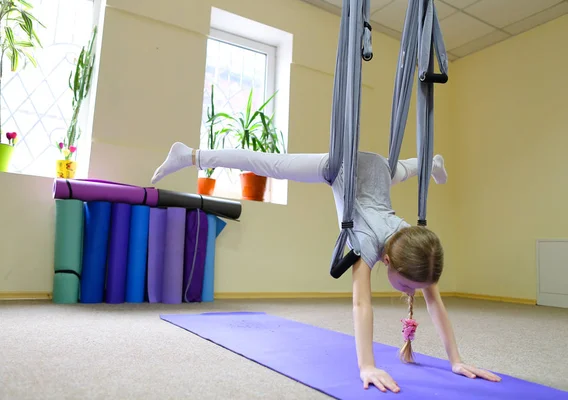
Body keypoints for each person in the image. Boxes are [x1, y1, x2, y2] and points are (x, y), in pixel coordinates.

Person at [151, 142, 502, 393]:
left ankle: (433, 161)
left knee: (406, 169)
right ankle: (190, 155)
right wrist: (367, 365)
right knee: (268, 163)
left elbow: (434, 301)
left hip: (380, 171)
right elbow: (361, 305)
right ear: (387, 260)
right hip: (345, 170)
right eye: (409, 286)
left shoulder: (415, 243)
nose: (412, 293)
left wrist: (456, 359)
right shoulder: (366, 241)